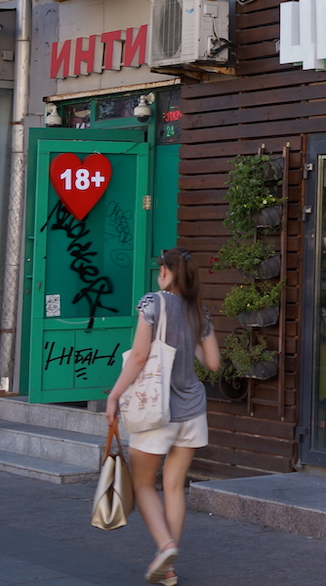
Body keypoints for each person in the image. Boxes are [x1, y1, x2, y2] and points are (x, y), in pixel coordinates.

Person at [106, 248, 219, 585]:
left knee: (142, 484)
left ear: (167, 273)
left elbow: (139, 357)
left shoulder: (152, 303)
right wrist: (190, 339)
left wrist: (113, 395)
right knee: (173, 487)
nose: (159, 275)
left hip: (156, 409)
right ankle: (168, 568)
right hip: (192, 412)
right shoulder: (199, 311)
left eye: (160, 270)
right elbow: (213, 364)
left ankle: (166, 546)